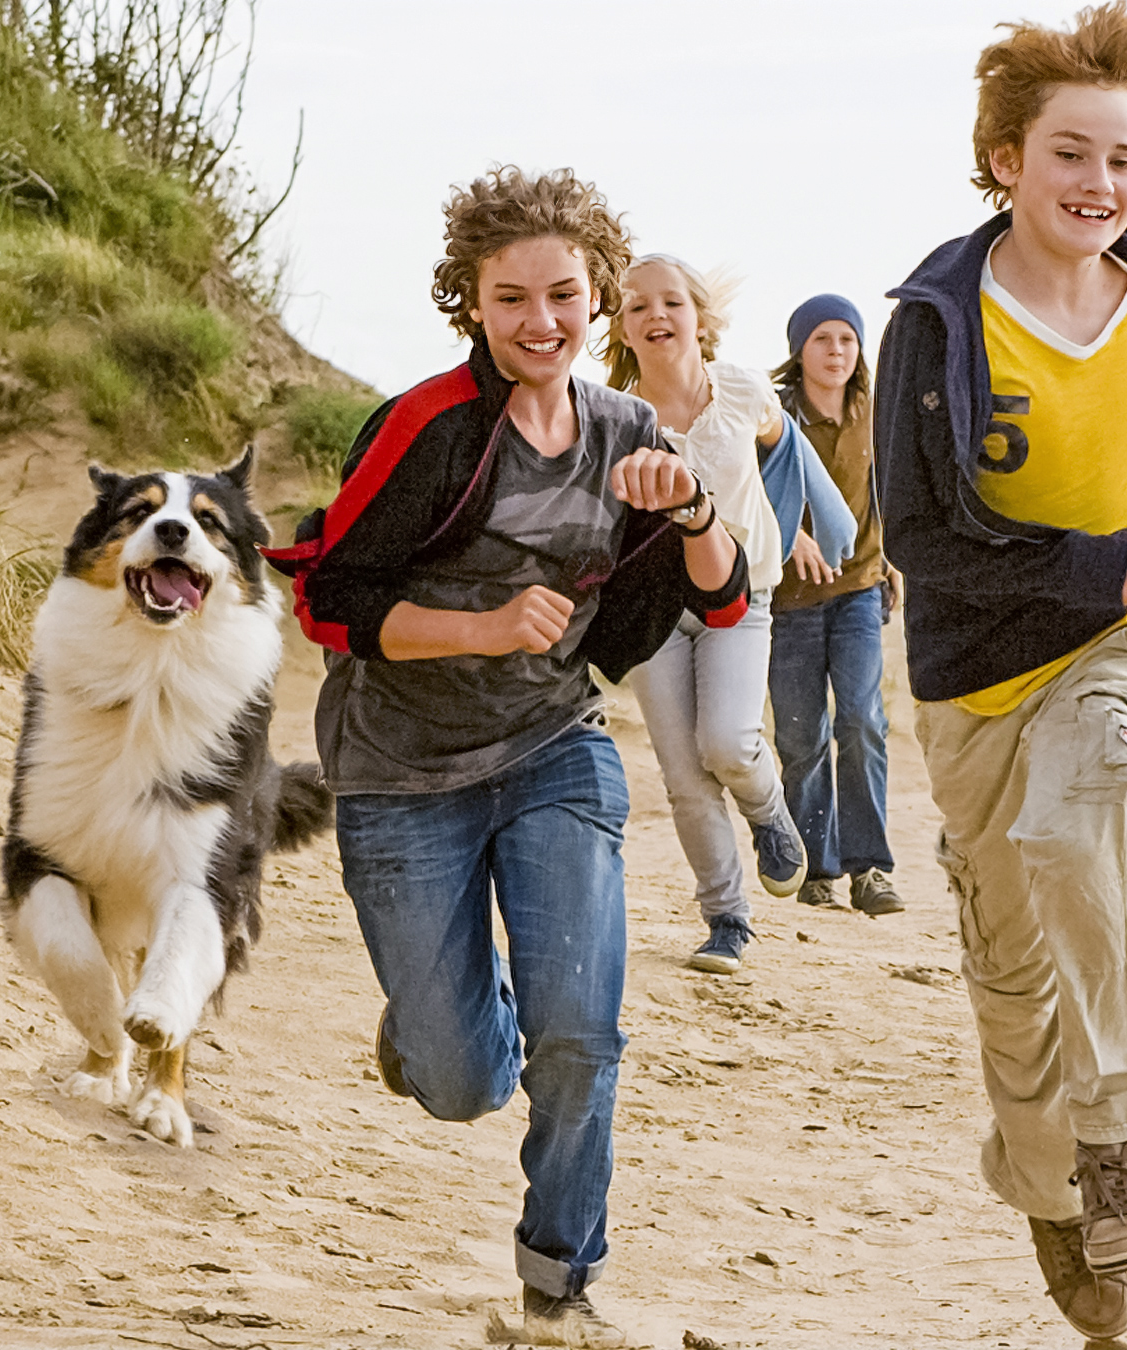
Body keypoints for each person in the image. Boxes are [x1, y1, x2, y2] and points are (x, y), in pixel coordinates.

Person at [262, 165, 745, 1350]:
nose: (542, 322)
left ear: (597, 301)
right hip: (397, 772)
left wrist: (686, 509)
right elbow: (328, 594)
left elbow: (723, 599)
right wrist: (480, 625)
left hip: (552, 752)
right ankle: (433, 1031)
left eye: (566, 296)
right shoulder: (427, 426)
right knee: (463, 1079)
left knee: (582, 1029)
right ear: (471, 302)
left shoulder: (633, 434)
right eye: (512, 297)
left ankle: (558, 1284)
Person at [875, 4, 1127, 1342]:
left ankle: (1123, 1139)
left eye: (1125, 158)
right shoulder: (934, 319)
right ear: (1005, 158)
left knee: (1077, 829)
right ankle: (1051, 1193)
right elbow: (919, 536)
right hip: (974, 671)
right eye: (1071, 154)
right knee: (1012, 983)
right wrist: (1094, 562)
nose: (1100, 183)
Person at [603, 256, 816, 974]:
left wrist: (795, 529)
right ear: (623, 328)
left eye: (671, 302)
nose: (656, 315)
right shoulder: (618, 418)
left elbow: (788, 454)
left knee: (727, 742)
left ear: (700, 316)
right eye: (638, 307)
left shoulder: (746, 389)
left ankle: (769, 811)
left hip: (745, 594)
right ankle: (726, 918)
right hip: (659, 609)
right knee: (685, 775)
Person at [767, 295, 901, 916]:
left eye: (847, 340)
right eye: (822, 339)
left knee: (863, 721)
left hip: (858, 591)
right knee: (799, 736)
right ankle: (816, 868)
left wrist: (895, 560)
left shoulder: (878, 415)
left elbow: (894, 495)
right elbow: (748, 495)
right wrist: (786, 537)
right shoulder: (772, 418)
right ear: (800, 350)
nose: (837, 351)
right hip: (787, 602)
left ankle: (870, 869)